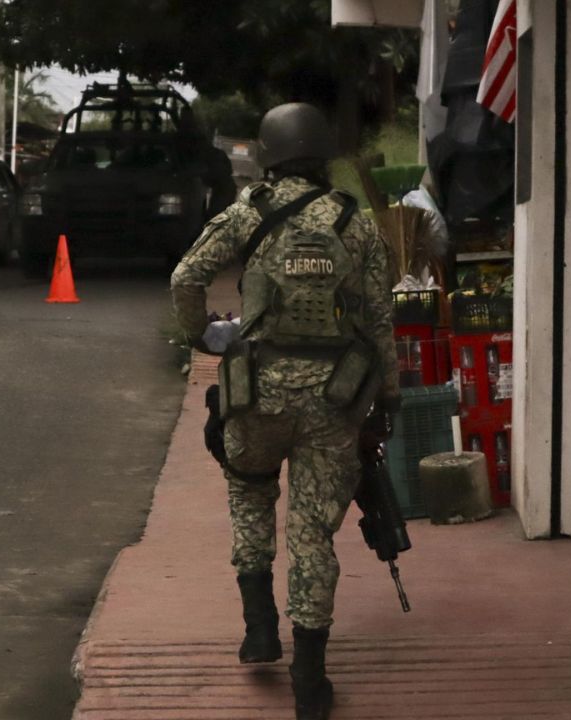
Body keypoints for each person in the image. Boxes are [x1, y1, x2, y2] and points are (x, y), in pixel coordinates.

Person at [170, 103, 399, 720]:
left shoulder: (251, 212)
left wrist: (202, 336)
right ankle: (310, 681)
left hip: (257, 393)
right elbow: (380, 321)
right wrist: (391, 396)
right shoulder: (356, 224)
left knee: (249, 492)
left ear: (269, 155)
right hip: (334, 400)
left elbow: (186, 278)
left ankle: (260, 629)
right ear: (322, 157)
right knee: (313, 535)